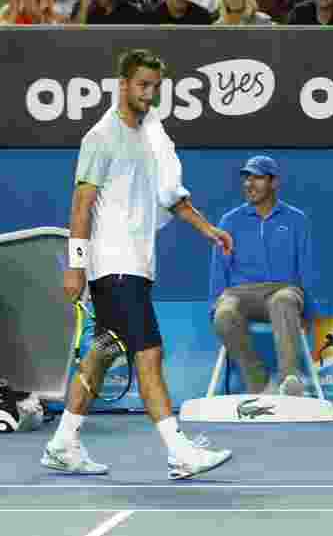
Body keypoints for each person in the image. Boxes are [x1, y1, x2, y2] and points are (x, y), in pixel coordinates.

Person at [44, 48, 234, 480]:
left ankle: (63, 442)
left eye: (155, 87)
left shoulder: (147, 136)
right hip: (114, 265)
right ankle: (177, 449)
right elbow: (81, 205)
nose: (150, 95)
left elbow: (168, 196)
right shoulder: (101, 136)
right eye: (143, 85)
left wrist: (207, 229)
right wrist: (76, 266)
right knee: (150, 353)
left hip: (136, 264)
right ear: (123, 85)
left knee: (103, 353)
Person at [209, 156, 316, 397]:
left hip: (283, 290)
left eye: (257, 177)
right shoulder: (230, 221)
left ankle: (290, 379)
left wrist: (309, 312)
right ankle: (260, 383)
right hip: (240, 294)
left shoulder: (296, 220)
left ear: (274, 182)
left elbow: (307, 269)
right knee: (224, 314)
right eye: (246, 178)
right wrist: (214, 307)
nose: (249, 183)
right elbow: (219, 269)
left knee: (283, 300)